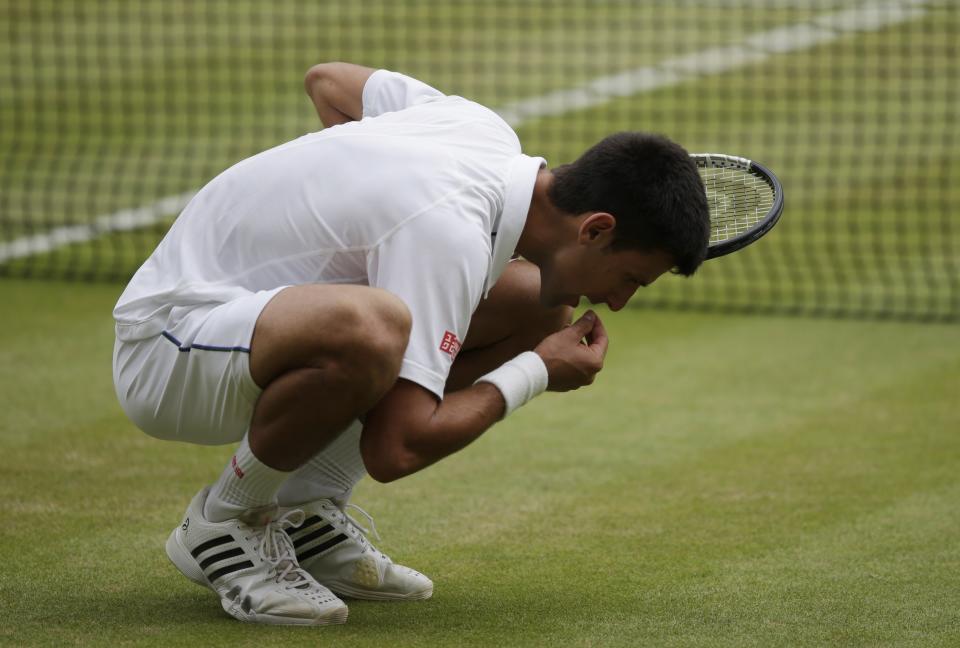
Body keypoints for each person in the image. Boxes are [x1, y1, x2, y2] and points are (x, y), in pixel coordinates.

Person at [112, 62, 710, 626]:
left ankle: (305, 508)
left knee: (534, 305)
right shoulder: (448, 234)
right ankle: (225, 520)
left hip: (254, 327)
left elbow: (330, 81)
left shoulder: (479, 128)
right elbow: (396, 449)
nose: (619, 301)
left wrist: (346, 208)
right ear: (595, 229)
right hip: (168, 346)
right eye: (630, 278)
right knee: (371, 327)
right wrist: (536, 370)